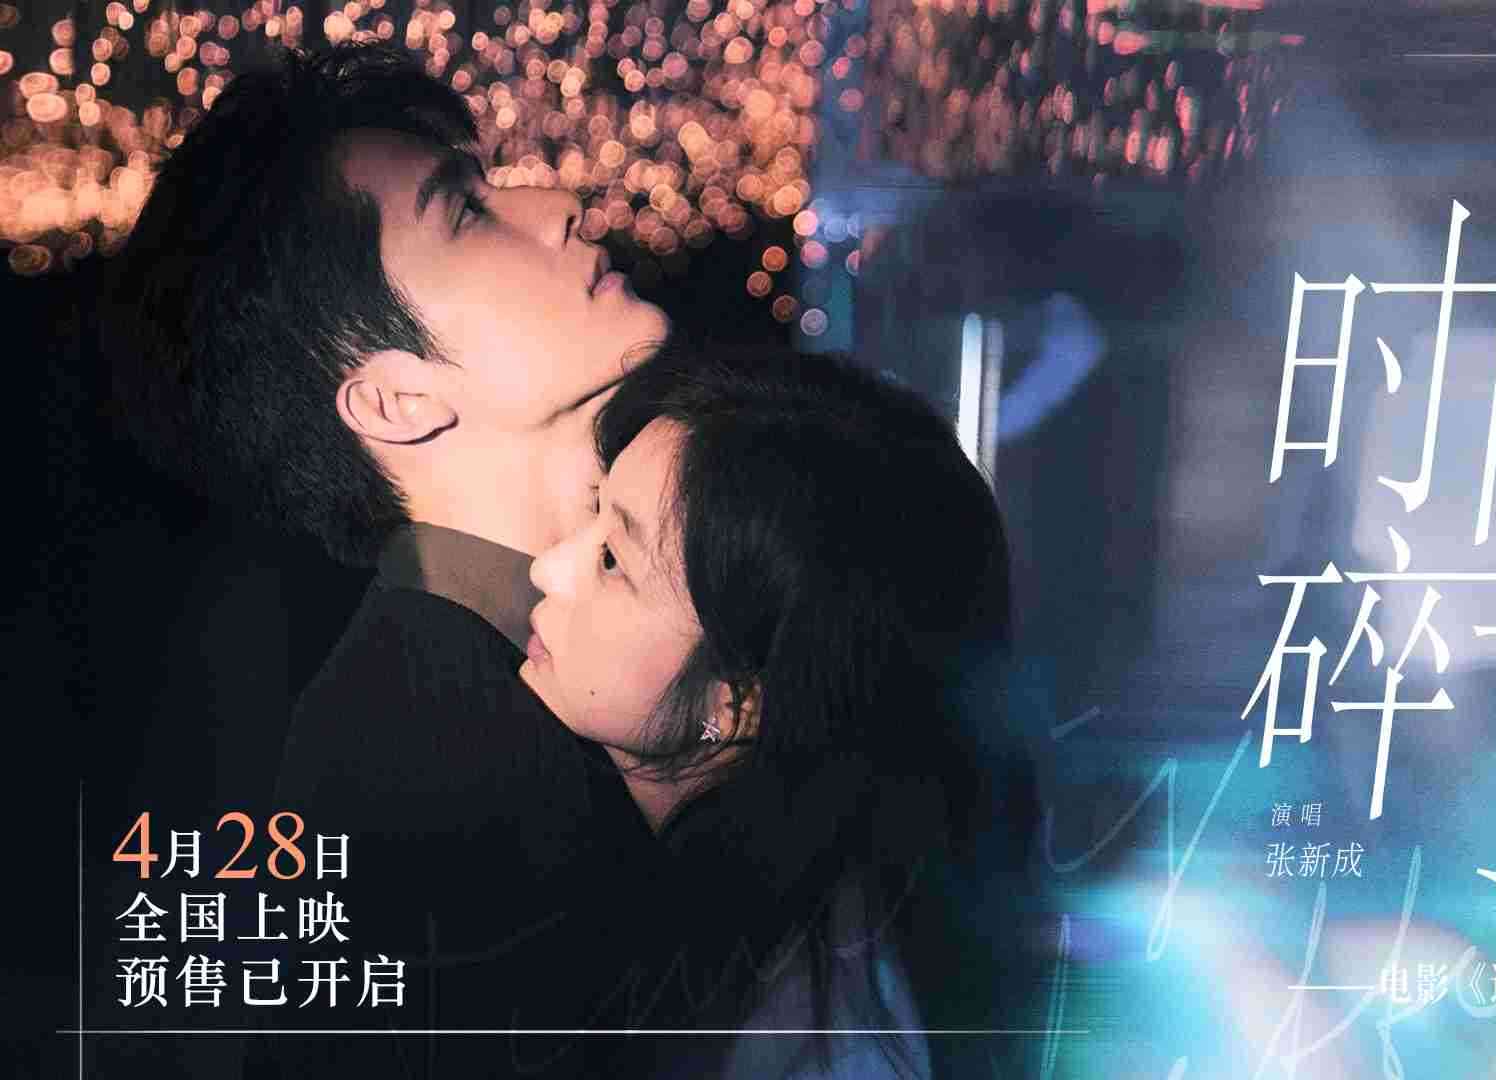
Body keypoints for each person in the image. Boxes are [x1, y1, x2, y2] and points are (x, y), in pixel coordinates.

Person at [102, 41, 673, 1074]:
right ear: (398, 400)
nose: (556, 205)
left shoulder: (514, 682)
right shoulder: (442, 759)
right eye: (466, 212)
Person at [520, 344, 1041, 1077]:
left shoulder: (809, 1037)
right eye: (593, 512)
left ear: (742, 702)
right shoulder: (736, 924)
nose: (547, 567)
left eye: (613, 561)